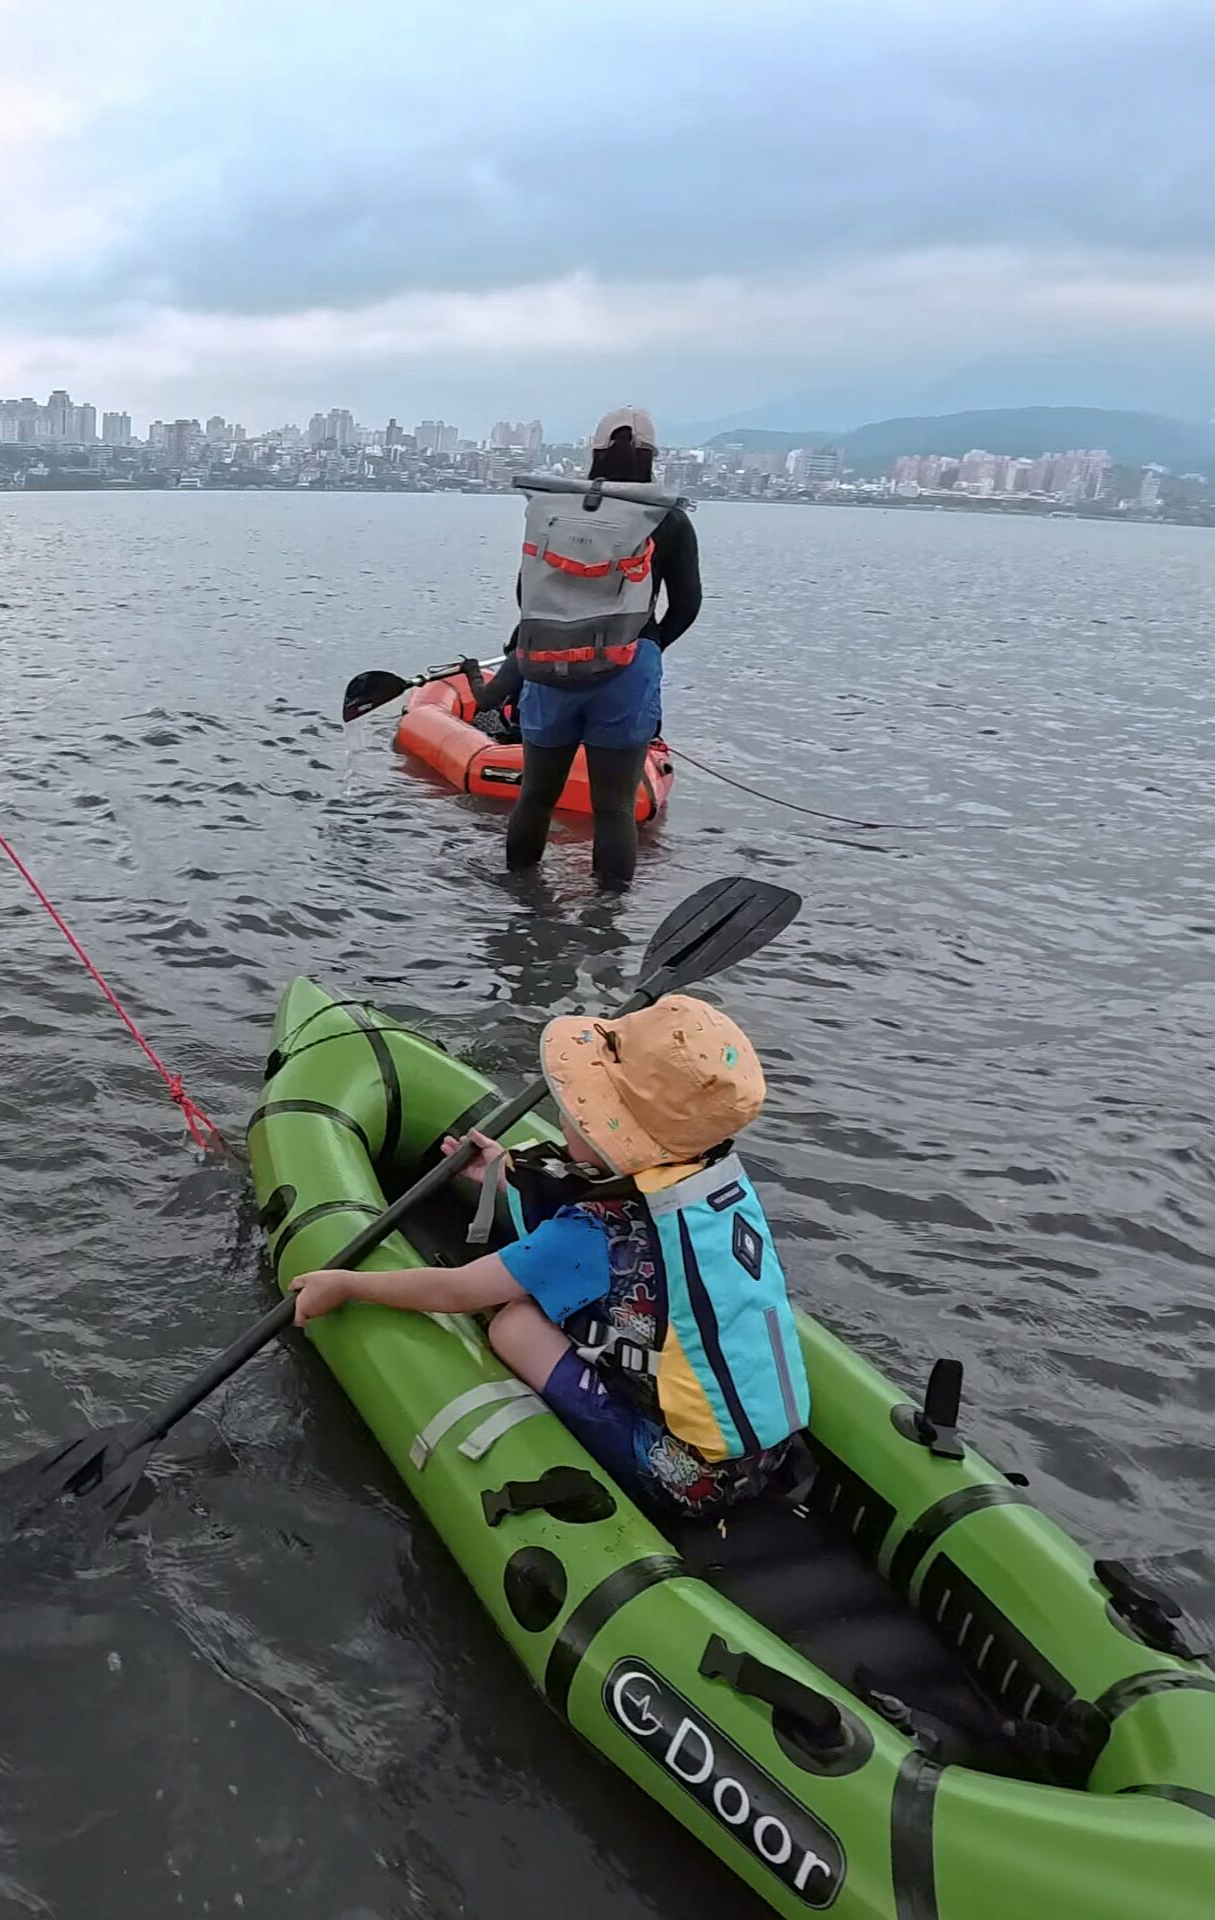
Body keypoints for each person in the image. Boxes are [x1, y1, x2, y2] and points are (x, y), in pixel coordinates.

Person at [289, 994, 806, 1520]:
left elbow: (457, 1291)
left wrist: (348, 1284)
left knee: (514, 1324)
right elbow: (605, 1197)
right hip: (770, 1453)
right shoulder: (711, 1186)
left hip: (689, 1481)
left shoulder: (590, 1235)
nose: (565, 1113)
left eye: (582, 1109)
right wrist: (504, 1172)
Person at [505, 407, 700, 890]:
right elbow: (687, 605)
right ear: (652, 456)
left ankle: (518, 905)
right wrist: (645, 646)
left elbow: (524, 593)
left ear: (593, 452)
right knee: (613, 808)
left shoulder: (554, 510)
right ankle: (606, 928)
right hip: (626, 670)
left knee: (535, 796)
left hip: (549, 664)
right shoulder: (666, 517)